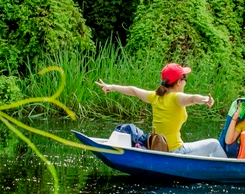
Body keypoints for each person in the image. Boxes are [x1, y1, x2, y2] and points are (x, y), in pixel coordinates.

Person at [95, 63, 227, 158]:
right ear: (178, 82)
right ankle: (227, 170)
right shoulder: (176, 97)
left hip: (158, 148)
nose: (186, 82)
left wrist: (111, 86)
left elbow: (133, 91)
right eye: (185, 78)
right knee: (214, 144)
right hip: (175, 151)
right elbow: (192, 98)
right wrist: (205, 99)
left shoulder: (155, 96)